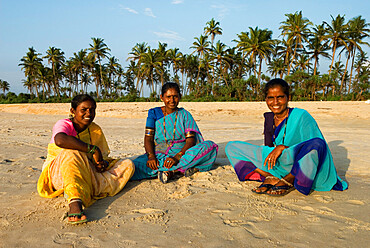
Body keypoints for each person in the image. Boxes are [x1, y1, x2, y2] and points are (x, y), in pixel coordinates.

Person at [225, 78, 348, 196]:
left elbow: (315, 148)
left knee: (317, 144)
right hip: (279, 162)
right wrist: (275, 151)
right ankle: (270, 176)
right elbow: (268, 148)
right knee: (231, 147)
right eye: (271, 98)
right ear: (266, 100)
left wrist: (282, 147)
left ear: (288, 98)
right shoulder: (269, 118)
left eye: (280, 97)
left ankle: (290, 178)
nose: (275, 102)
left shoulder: (301, 115)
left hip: (299, 161)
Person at [37, 94, 135, 224]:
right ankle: (75, 201)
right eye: (83, 110)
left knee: (127, 164)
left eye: (92, 109)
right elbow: (60, 140)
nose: (89, 113)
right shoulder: (64, 124)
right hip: (59, 174)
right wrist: (92, 149)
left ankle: (85, 188)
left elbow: (102, 158)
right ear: (73, 111)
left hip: (87, 173)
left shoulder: (95, 129)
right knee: (72, 152)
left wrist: (102, 164)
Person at [132, 82, 218, 183]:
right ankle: (176, 170)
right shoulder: (154, 113)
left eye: (175, 97)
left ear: (180, 97)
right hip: (158, 154)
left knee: (210, 146)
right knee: (133, 165)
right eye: (168, 97)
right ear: (162, 97)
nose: (172, 100)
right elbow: (148, 138)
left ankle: (171, 171)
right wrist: (151, 157)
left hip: (181, 153)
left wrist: (177, 157)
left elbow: (190, 141)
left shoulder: (185, 114)